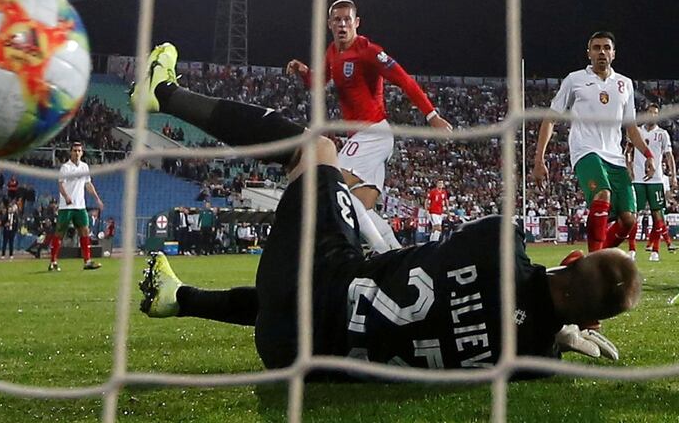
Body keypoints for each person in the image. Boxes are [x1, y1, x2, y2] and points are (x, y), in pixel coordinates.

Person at [132, 42, 640, 373]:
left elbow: (459, 270)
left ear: (573, 260)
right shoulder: (526, 361)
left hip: (312, 279)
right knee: (335, 302)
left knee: (315, 151)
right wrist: (553, 335)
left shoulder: (500, 242)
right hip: (294, 354)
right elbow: (526, 327)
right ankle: (181, 298)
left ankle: (164, 94)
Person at [286, 0, 452, 253]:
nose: (342, 24)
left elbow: (404, 80)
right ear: (329, 23)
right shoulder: (332, 51)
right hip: (366, 138)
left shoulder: (368, 51)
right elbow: (319, 83)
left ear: (357, 22)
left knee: (330, 185)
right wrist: (303, 71)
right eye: (337, 20)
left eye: (347, 19)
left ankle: (376, 254)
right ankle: (397, 254)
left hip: (373, 133)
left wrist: (432, 116)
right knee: (359, 206)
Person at [534, 31, 655, 254]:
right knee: (603, 194)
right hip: (586, 150)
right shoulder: (575, 80)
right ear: (588, 53)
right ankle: (594, 266)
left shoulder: (625, 84)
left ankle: (595, 260)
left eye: (606, 48)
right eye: (597, 47)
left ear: (614, 54)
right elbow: (550, 118)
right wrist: (539, 158)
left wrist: (648, 155)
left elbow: (631, 127)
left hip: (615, 157)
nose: (602, 52)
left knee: (628, 219)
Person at [626, 103, 677, 261]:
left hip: (656, 179)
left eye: (656, 113)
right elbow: (627, 152)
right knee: (634, 214)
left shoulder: (662, 134)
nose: (652, 115)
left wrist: (673, 175)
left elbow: (669, 156)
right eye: (650, 112)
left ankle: (655, 251)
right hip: (638, 179)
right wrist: (629, 169)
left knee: (658, 215)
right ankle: (632, 249)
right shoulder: (636, 131)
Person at [48, 141, 104, 272]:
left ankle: (87, 261)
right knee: (60, 233)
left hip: (80, 206)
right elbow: (61, 184)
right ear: (71, 152)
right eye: (75, 150)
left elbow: (88, 184)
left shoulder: (84, 167)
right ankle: (53, 261)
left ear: (82, 152)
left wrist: (97, 199)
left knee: (84, 231)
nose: (77, 153)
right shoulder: (65, 168)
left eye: (79, 151)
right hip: (66, 207)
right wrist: (67, 197)